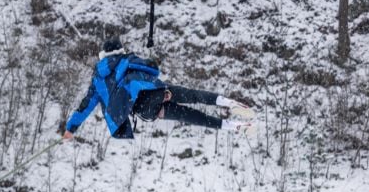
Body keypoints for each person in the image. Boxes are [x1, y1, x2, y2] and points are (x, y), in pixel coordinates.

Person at [62, 38, 255, 141]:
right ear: (120, 50)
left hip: (147, 108)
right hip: (156, 90)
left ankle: (230, 126)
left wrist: (71, 129)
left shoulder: (98, 78)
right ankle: (227, 102)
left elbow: (84, 107)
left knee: (193, 117)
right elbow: (151, 68)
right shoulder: (127, 59)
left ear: (102, 56)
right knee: (194, 95)